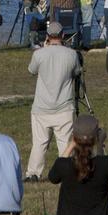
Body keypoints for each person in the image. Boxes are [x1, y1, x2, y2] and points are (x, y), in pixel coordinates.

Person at [25, 21, 81, 180]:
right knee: (64, 142)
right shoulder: (71, 54)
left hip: (42, 107)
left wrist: (44, 47)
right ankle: (67, 171)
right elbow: (77, 71)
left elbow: (31, 70)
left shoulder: (39, 54)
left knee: (39, 143)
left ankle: (33, 173)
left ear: (48, 37)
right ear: (63, 36)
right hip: (64, 106)